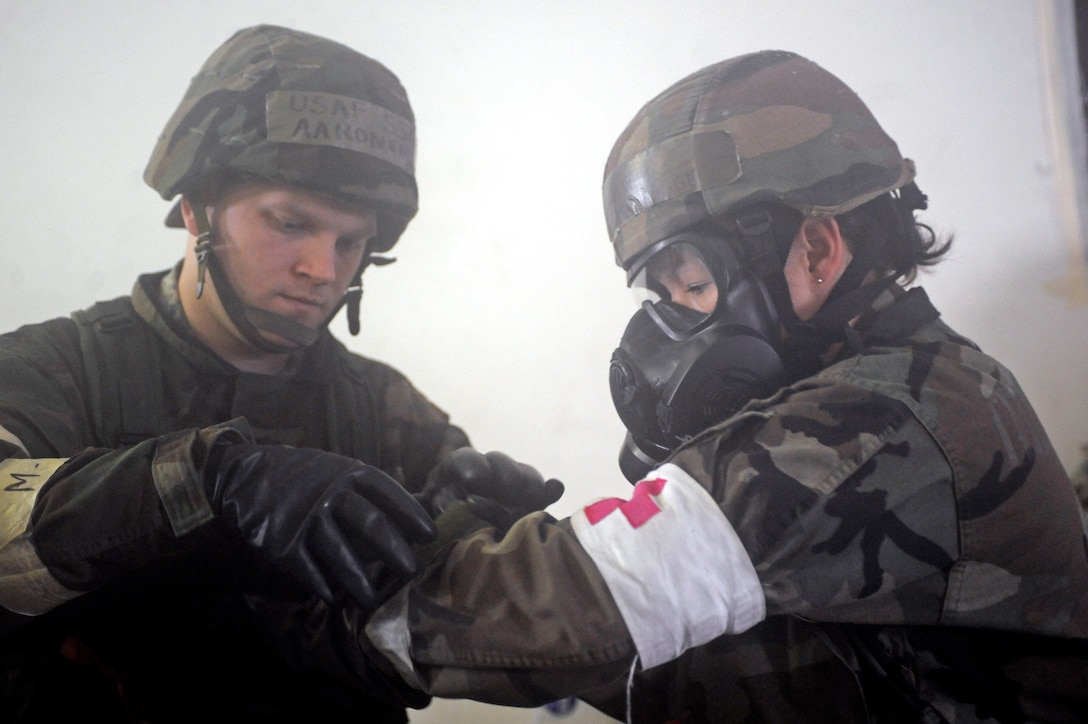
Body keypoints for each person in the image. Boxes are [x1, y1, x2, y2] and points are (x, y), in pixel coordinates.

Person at [359, 50, 1088, 722]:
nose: (677, 326)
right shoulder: (901, 385)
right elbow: (724, 667)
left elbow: (593, 605)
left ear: (817, 247)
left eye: (696, 283)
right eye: (664, 295)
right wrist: (509, 548)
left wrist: (350, 610)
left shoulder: (887, 418)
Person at [0, 25, 559, 722]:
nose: (322, 271)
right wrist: (207, 484)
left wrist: (460, 535)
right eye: (290, 224)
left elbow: (461, 626)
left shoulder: (384, 407)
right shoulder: (54, 372)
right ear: (194, 208)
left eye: (350, 242)